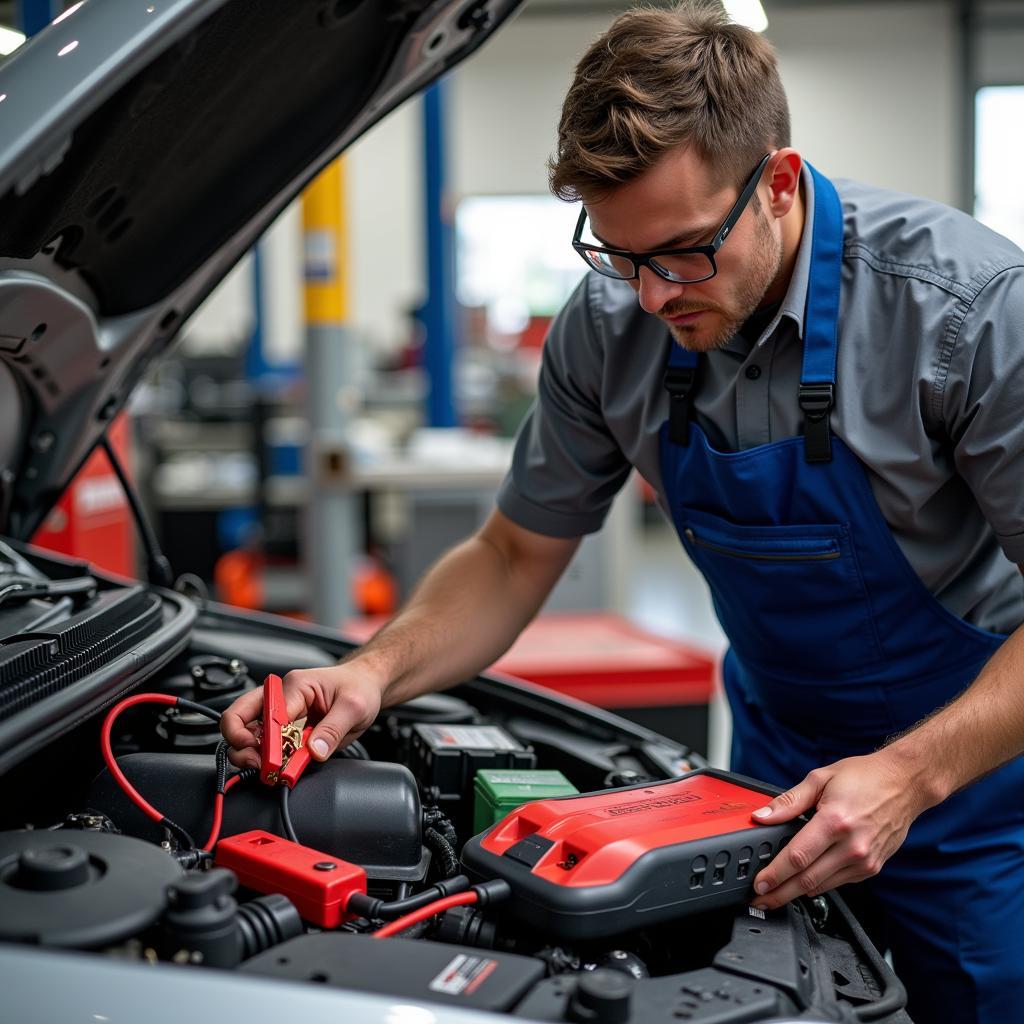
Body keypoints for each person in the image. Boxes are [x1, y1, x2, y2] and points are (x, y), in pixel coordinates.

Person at [223, 4, 1024, 1020]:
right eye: (618, 255)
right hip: (770, 780)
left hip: (973, 790)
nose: (649, 299)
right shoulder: (608, 326)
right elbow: (514, 553)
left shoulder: (965, 311)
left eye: (683, 253)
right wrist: (370, 671)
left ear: (778, 184)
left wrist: (910, 774)